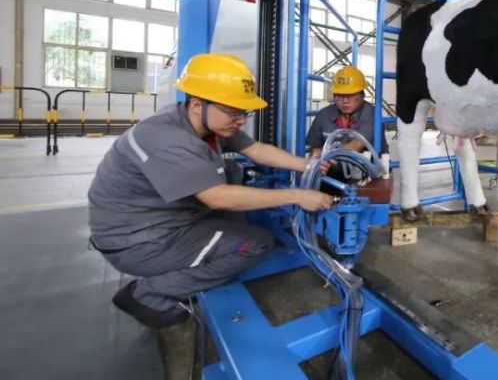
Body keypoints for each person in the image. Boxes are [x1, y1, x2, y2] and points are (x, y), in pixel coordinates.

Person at [88, 53, 333, 328]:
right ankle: (149, 295)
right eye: (234, 112)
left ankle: (198, 256)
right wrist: (298, 195)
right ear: (197, 103)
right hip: (136, 242)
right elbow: (217, 198)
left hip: (151, 222)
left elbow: (255, 150)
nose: (241, 120)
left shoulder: (204, 123)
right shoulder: (170, 139)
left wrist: (308, 165)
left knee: (233, 174)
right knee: (256, 244)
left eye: (245, 113)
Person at [305, 65, 388, 182]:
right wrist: (316, 154)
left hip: (368, 175)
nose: (345, 101)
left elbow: (356, 145)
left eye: (350, 95)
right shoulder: (323, 116)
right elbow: (314, 146)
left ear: (362, 95)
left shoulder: (372, 114)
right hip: (330, 175)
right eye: (340, 95)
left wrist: (327, 156)